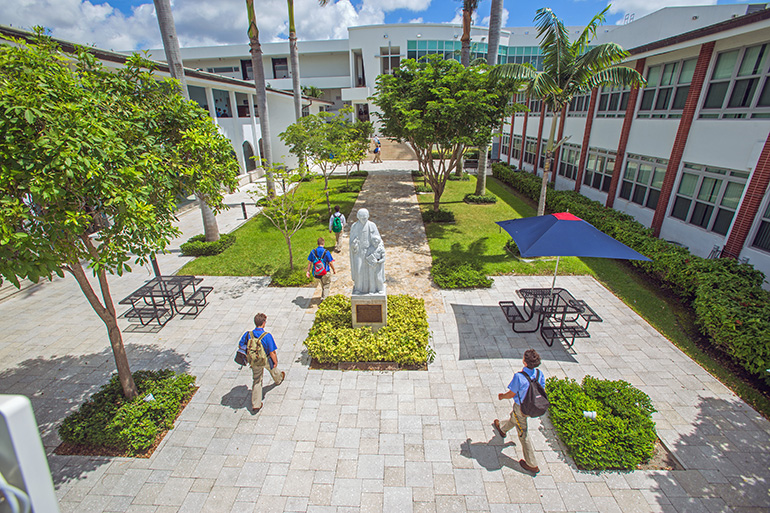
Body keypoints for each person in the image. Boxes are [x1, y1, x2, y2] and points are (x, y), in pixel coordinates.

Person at [493, 349, 545, 474]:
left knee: (523, 433)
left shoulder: (519, 377)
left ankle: (531, 464)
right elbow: (542, 388)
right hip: (534, 406)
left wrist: (502, 396)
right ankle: (502, 428)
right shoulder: (539, 374)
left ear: (525, 362)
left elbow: (512, 393)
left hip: (521, 408)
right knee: (514, 418)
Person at [237, 313, 284, 412]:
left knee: (257, 380)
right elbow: (272, 352)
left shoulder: (248, 334)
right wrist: (275, 361)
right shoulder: (267, 336)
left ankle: (256, 404)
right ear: (263, 323)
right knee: (273, 368)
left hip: (254, 361)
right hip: (265, 358)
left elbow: (241, 346)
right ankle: (278, 379)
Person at [349, 208, 385, 295]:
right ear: (358, 217)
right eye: (361, 217)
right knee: (358, 270)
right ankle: (358, 288)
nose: (363, 219)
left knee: (372, 273)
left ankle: (372, 289)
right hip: (358, 252)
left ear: (368, 216)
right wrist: (354, 245)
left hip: (370, 252)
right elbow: (351, 242)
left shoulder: (372, 225)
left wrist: (378, 250)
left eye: (365, 217)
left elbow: (378, 240)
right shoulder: (354, 226)